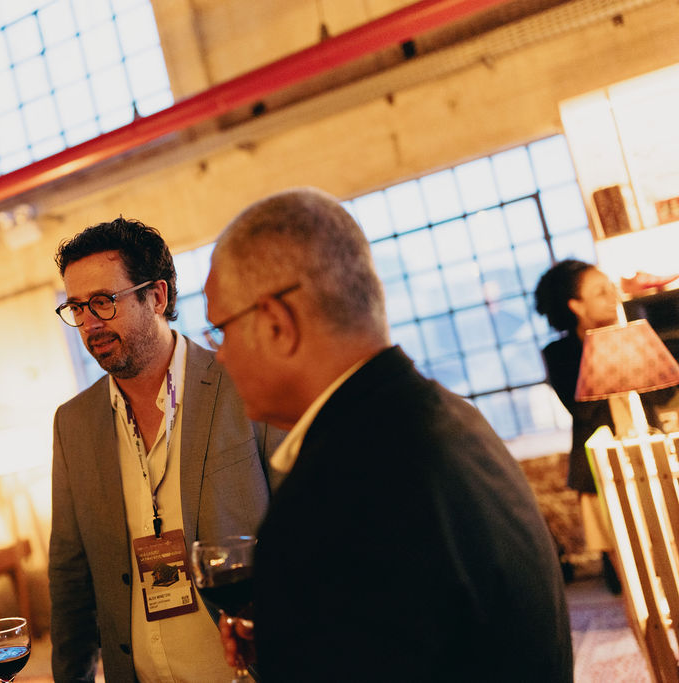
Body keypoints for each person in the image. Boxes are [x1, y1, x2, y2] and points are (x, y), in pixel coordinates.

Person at [203, 187, 573, 682]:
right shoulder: (454, 417)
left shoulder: (327, 496)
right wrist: (290, 628)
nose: (220, 355)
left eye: (221, 329)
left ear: (276, 323)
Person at [48, 218, 279, 682]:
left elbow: (305, 529)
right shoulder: (73, 423)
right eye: (76, 307)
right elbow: (70, 576)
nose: (89, 323)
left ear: (157, 296)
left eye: (103, 302)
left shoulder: (245, 383)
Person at [534, 259, 650, 593]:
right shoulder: (560, 354)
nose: (612, 297)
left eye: (611, 288)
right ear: (576, 305)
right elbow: (584, 407)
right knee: (627, 572)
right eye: (600, 292)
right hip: (598, 470)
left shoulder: (635, 330)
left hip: (648, 457)